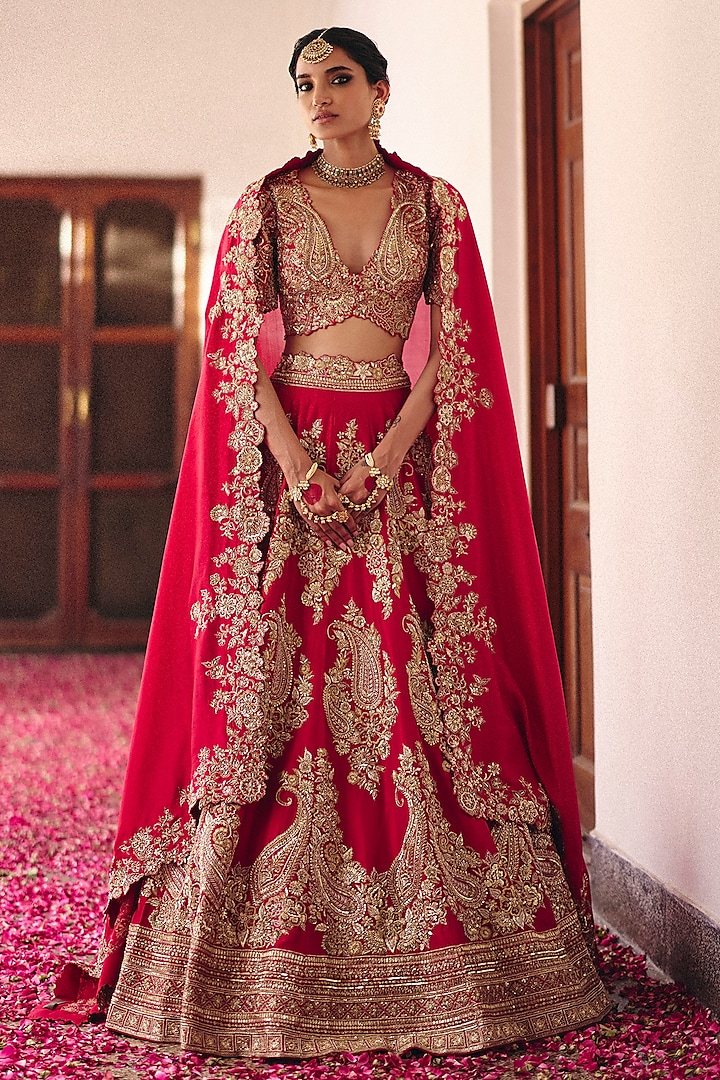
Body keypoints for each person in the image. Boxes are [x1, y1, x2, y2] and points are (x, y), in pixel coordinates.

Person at [35, 26, 611, 1057]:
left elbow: (459, 345)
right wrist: (296, 465)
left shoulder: (436, 206)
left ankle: (453, 951)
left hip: (390, 463)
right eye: (306, 84)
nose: (320, 97)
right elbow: (234, 348)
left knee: (419, 680)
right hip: (292, 461)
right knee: (273, 687)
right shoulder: (264, 204)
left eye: (339, 79)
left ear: (381, 90)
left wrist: (388, 455)